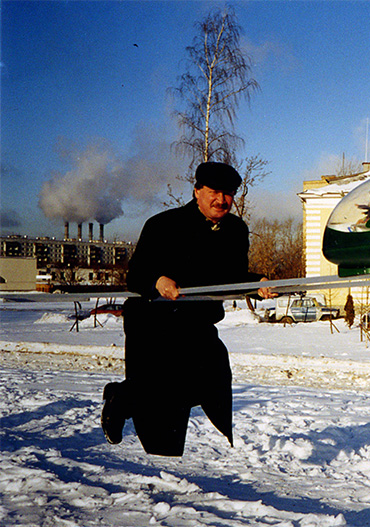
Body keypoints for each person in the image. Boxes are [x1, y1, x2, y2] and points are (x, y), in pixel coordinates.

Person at [101, 161, 274, 456]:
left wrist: (256, 283)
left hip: (197, 322)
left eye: (229, 193)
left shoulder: (235, 230)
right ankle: (122, 399)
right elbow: (136, 273)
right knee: (162, 391)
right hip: (155, 322)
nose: (222, 200)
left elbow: (230, 278)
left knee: (213, 378)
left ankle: (127, 396)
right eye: (214, 191)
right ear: (196, 191)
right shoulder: (164, 224)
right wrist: (158, 280)